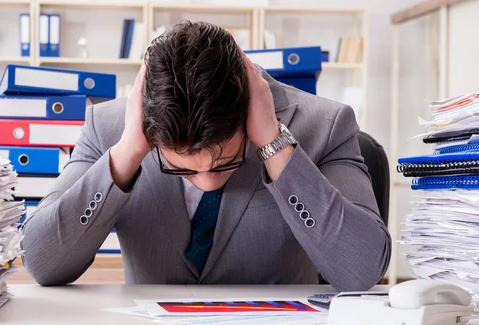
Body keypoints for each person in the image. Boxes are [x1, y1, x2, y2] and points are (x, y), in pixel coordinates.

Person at [20, 21, 391, 291]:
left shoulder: (326, 125)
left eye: (224, 162)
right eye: (181, 168)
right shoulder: (108, 127)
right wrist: (127, 153)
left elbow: (361, 272)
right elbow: (43, 262)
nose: (206, 179)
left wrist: (274, 144)